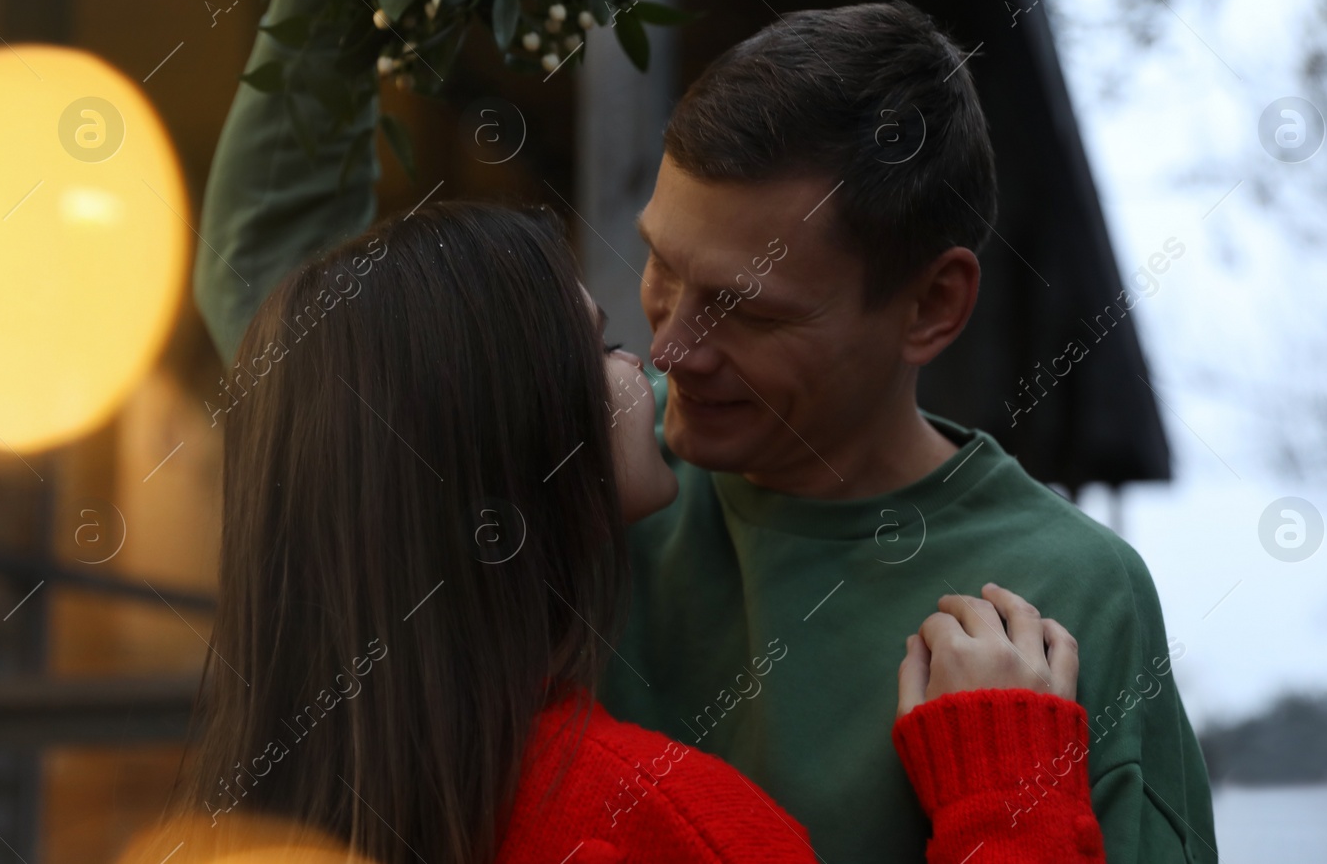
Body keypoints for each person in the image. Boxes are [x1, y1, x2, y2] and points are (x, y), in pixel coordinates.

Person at [190, 0, 1217, 861]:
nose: (668, 350)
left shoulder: (1067, 594)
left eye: (746, 308)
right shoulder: (580, 478)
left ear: (932, 307)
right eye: (660, 269)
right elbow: (293, 315)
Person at [137, 201, 1104, 864]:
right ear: (516, 435)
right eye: (600, 344)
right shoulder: (660, 826)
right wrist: (1010, 802)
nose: (658, 355)